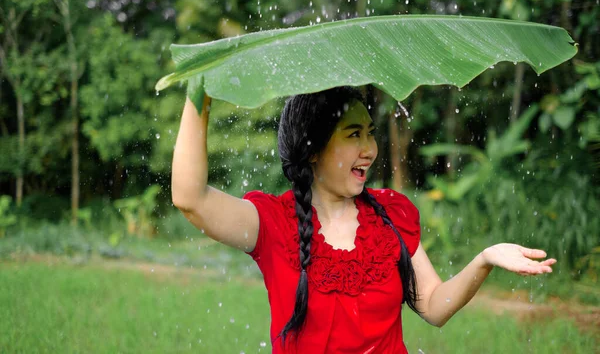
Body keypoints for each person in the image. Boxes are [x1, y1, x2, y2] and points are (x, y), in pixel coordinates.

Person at [172, 86, 556, 353]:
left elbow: (435, 307)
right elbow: (191, 199)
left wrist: (485, 257)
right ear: (313, 149)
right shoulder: (274, 223)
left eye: (370, 133)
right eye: (353, 134)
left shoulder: (392, 216)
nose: (370, 149)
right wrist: (199, 92)